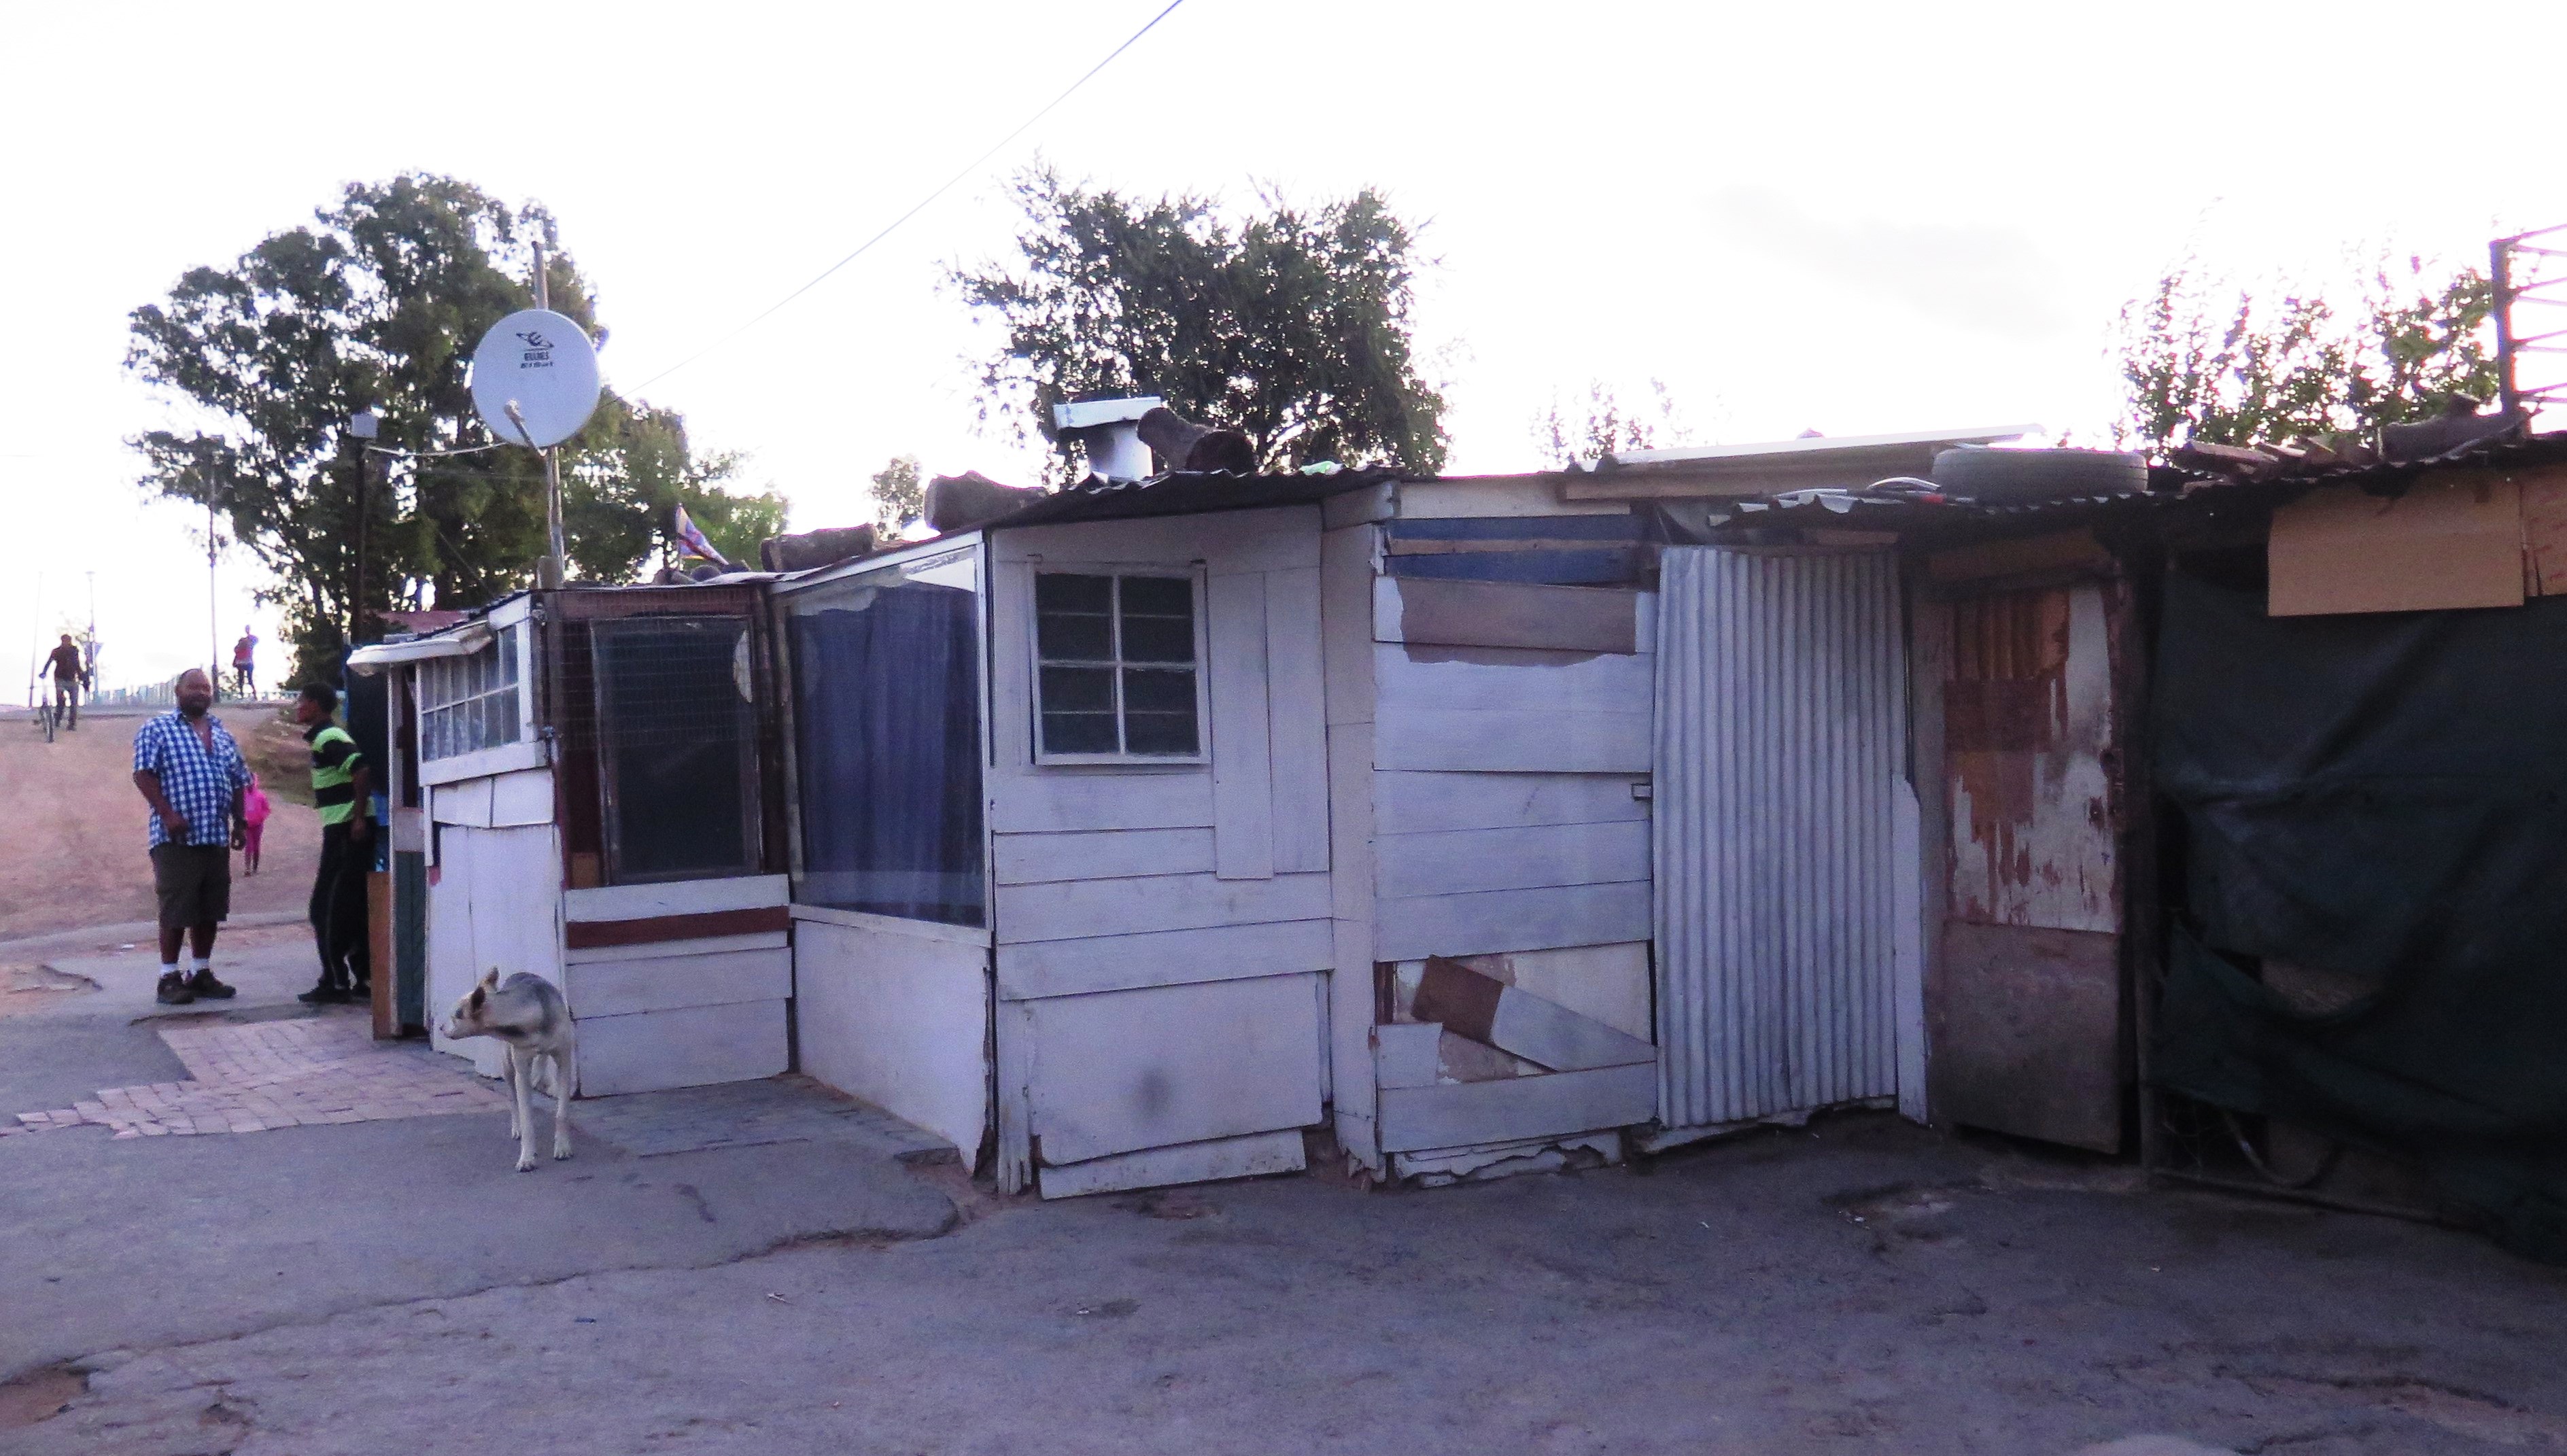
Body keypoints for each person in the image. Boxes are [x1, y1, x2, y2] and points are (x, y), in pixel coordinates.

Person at [130, 668, 247, 1005]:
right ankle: (168, 977)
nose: (200, 693)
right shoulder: (158, 729)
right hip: (176, 839)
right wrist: (167, 814)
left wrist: (239, 822)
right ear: (178, 692)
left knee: (210, 909)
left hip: (215, 835)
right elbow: (142, 774)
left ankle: (200, 972)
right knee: (177, 908)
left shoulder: (222, 733)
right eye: (193, 687)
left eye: (206, 688)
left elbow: (239, 778)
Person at [296, 681, 373, 1006]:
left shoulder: (329, 737)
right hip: (341, 828)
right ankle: (363, 977)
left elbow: (361, 768)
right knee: (350, 906)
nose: (297, 706)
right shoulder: (324, 738)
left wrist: (357, 817)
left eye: (301, 701)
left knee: (325, 909)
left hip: (346, 830)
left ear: (314, 705)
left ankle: (335, 980)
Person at [40, 632, 85, 731]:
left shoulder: (74, 651)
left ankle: (72, 724)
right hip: (59, 679)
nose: (67, 643)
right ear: (62, 641)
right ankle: (57, 720)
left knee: (74, 703)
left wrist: (81, 676)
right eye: (65, 641)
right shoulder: (56, 652)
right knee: (61, 700)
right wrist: (44, 672)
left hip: (72, 679)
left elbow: (77, 664)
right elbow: (49, 662)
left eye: (68, 641)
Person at [241, 771, 271, 876]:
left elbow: (267, 809)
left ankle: (255, 866)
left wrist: (261, 818)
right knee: (248, 846)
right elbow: (239, 808)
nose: (249, 784)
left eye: (251, 782)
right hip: (247, 825)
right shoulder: (243, 796)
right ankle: (247, 868)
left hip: (258, 825)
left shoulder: (260, 796)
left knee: (256, 846)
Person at [231, 627, 258, 697]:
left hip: (246, 663)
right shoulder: (241, 648)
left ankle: (251, 693)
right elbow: (236, 655)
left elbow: (256, 639)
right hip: (243, 663)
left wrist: (248, 634)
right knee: (243, 680)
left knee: (247, 679)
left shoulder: (248, 646)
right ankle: (244, 694)